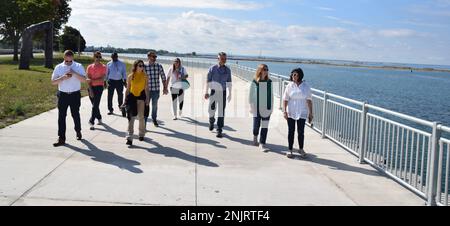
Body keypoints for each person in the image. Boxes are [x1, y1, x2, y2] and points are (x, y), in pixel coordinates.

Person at [51, 50, 86, 147]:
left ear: (73, 59)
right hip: (63, 95)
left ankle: (78, 131)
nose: (68, 63)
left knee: (75, 114)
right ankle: (61, 138)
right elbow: (53, 82)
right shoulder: (59, 67)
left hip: (75, 94)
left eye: (70, 61)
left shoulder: (78, 66)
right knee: (61, 116)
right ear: (64, 58)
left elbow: (84, 80)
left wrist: (74, 73)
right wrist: (63, 78)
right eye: (67, 61)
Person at [283, 68, 314, 158]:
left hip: (302, 112)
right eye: (292, 74)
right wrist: (284, 111)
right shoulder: (289, 86)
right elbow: (285, 99)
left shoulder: (306, 86)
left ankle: (301, 149)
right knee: (291, 131)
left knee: (301, 132)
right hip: (291, 112)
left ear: (300, 75)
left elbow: (309, 100)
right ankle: (290, 150)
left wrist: (311, 113)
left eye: (295, 74)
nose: (293, 76)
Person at [204, 52, 232, 138]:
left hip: (222, 92)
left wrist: (230, 93)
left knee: (221, 111)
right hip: (213, 91)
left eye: (225, 59)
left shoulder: (228, 70)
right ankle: (211, 121)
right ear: (218, 59)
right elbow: (208, 81)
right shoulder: (212, 68)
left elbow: (229, 83)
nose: (224, 60)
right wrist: (206, 92)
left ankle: (219, 129)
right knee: (211, 110)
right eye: (222, 58)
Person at [124, 60, 150, 146]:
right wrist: (125, 101)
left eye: (143, 66)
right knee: (131, 117)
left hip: (141, 99)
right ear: (135, 66)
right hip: (132, 98)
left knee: (141, 117)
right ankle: (129, 137)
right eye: (140, 65)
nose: (142, 67)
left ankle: (141, 134)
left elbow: (146, 88)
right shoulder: (130, 76)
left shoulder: (145, 76)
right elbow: (128, 89)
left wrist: (147, 99)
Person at [249, 64, 273, 151]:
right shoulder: (255, 81)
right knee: (256, 125)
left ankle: (262, 143)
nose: (266, 71)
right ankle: (255, 137)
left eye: (267, 69)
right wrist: (251, 106)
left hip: (266, 107)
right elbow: (251, 95)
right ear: (260, 70)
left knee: (265, 126)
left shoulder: (269, 82)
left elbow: (271, 95)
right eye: (264, 69)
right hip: (256, 107)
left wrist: (271, 108)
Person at [144, 51, 168, 127]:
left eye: (155, 57)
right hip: (146, 91)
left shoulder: (159, 66)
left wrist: (165, 88)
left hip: (156, 90)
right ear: (148, 57)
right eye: (153, 57)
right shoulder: (144, 66)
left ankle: (154, 119)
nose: (155, 58)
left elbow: (163, 78)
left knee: (155, 106)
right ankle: (144, 121)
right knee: (146, 106)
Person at [86, 51, 107, 130]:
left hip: (99, 88)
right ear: (94, 57)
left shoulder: (103, 67)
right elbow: (88, 80)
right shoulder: (89, 67)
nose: (98, 58)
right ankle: (99, 117)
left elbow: (103, 78)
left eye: (99, 57)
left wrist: (92, 80)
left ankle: (91, 121)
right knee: (95, 105)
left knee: (95, 105)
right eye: (96, 57)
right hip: (91, 88)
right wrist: (90, 89)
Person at [106, 52, 127, 117]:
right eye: (112, 57)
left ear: (117, 56)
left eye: (115, 57)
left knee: (120, 95)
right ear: (111, 57)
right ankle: (110, 109)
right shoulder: (109, 64)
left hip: (119, 81)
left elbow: (124, 72)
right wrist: (104, 81)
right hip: (111, 81)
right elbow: (107, 73)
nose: (114, 58)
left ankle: (120, 106)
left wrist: (125, 81)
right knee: (110, 96)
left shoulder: (122, 64)